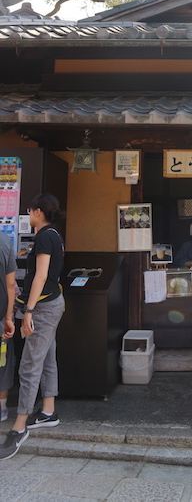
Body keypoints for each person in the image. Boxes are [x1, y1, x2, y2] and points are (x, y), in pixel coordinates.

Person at [0, 193, 65, 461]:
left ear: (38, 212)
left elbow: (40, 275)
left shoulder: (43, 237)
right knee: (47, 356)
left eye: (29, 211)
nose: (28, 215)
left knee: (29, 364)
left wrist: (28, 311)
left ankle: (19, 427)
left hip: (43, 306)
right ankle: (48, 411)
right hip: (53, 302)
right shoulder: (55, 235)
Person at [0, 232, 17, 422]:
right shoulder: (4, 241)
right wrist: (8, 317)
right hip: (0, 313)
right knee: (2, 361)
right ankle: (2, 408)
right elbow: (10, 284)